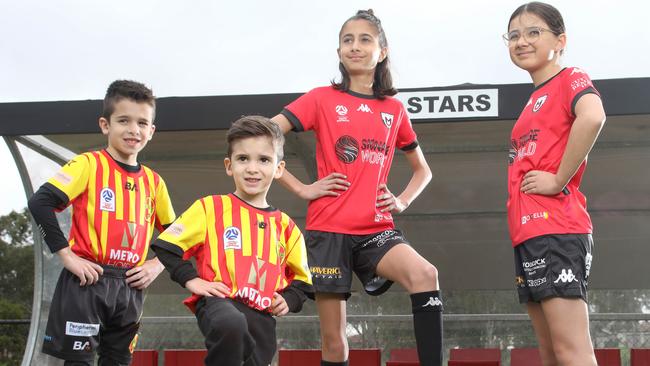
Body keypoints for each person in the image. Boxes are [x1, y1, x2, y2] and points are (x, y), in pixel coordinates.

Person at [271, 9, 442, 366]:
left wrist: (402, 200)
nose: (355, 47)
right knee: (335, 345)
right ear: (338, 52)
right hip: (328, 231)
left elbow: (422, 170)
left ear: (382, 51)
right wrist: (301, 188)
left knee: (426, 274)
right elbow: (263, 134)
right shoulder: (320, 98)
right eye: (347, 40)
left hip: (376, 228)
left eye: (365, 39)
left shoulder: (394, 110)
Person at [28, 80, 176, 365]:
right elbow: (40, 202)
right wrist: (67, 256)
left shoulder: (154, 183)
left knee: (117, 361)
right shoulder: (88, 165)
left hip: (130, 286)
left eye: (142, 123)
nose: (134, 129)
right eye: (124, 120)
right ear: (105, 125)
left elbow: (176, 236)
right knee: (79, 362)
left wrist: (156, 265)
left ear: (151, 131)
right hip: (87, 280)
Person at [152, 116, 313, 366]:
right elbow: (166, 246)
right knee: (232, 324)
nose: (252, 168)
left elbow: (303, 282)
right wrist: (191, 279)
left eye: (264, 159)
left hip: (262, 317)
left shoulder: (287, 227)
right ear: (229, 165)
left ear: (279, 168)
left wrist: (288, 300)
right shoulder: (209, 208)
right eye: (243, 159)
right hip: (218, 304)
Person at [503, 2, 606, 365]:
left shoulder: (569, 78)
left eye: (534, 32)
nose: (521, 41)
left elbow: (593, 116)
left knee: (571, 351)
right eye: (514, 35)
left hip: (557, 229)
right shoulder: (532, 99)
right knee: (550, 353)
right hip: (528, 235)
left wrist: (559, 178)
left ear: (560, 40)